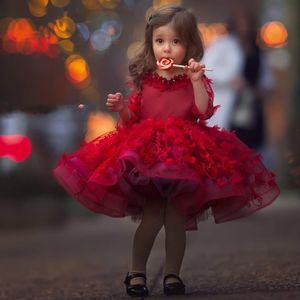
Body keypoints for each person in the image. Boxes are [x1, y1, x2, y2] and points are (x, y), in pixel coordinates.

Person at [53, 6, 280, 297]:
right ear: (151, 43)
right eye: (160, 41)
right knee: (152, 215)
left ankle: (173, 274)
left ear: (189, 46)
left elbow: (202, 111)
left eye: (176, 42)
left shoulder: (192, 78)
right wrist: (122, 108)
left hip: (184, 158)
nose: (168, 48)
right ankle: (136, 273)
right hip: (149, 158)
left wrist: (197, 81)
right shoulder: (144, 79)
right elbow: (132, 121)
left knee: (176, 218)